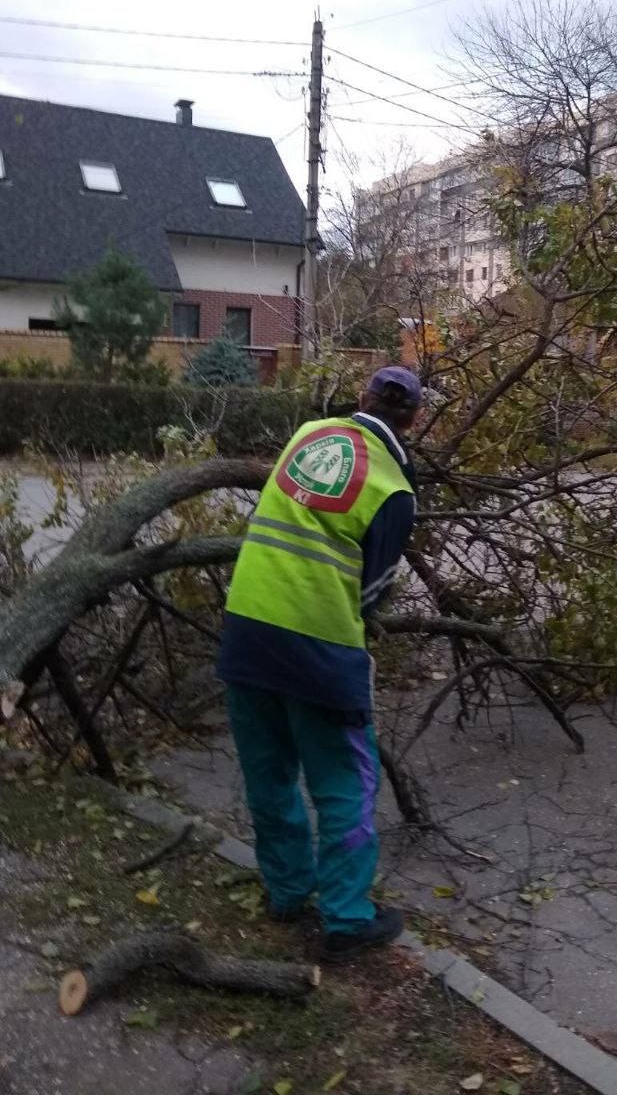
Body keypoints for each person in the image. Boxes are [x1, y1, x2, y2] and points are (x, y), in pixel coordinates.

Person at [216, 366, 421, 962]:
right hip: (319, 651)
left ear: (361, 399)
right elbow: (371, 591)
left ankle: (286, 891)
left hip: (246, 631)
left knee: (269, 771)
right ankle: (347, 919)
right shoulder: (394, 489)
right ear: (415, 418)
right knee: (345, 783)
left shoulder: (309, 435)